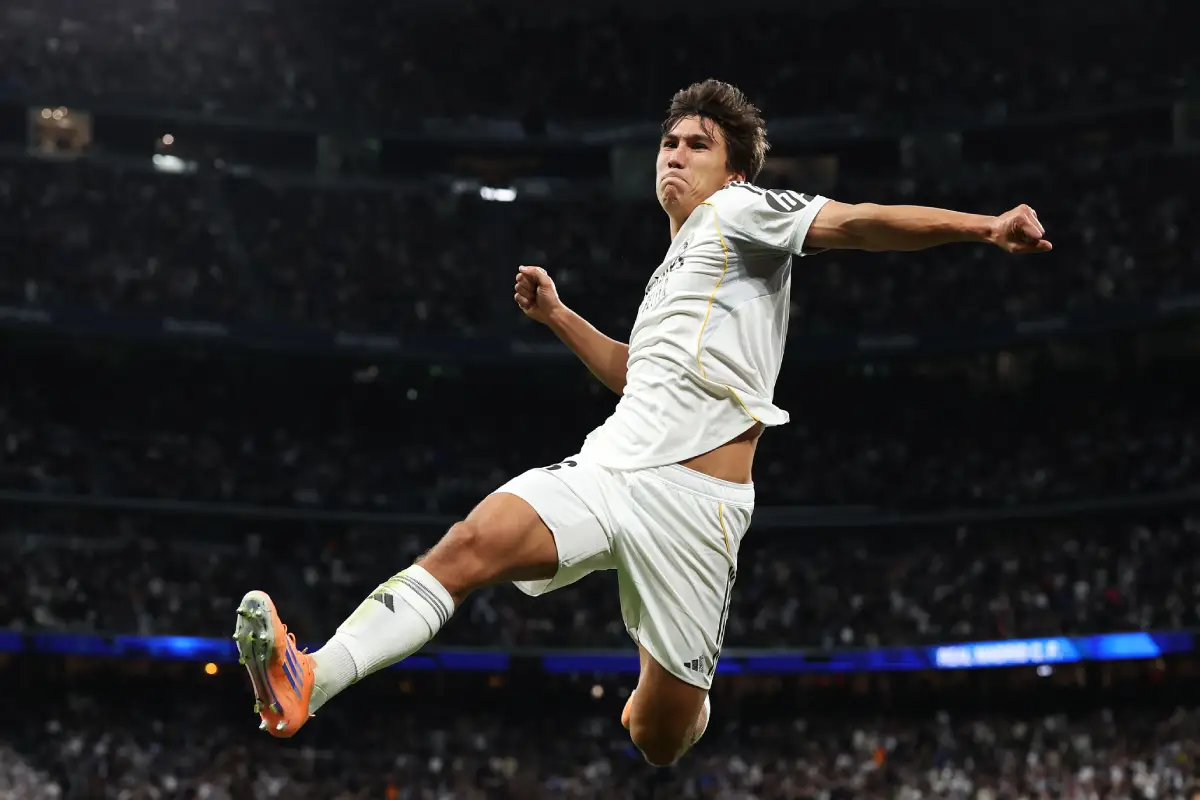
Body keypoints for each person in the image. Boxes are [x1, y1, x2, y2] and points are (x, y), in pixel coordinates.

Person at [233, 78, 1051, 766]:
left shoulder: (744, 216)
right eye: (669, 142)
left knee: (658, 737)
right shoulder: (671, 272)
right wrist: (559, 317)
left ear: (732, 173)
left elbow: (859, 219)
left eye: (697, 144)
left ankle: (671, 696)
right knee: (469, 544)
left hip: (697, 509)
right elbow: (636, 374)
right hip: (612, 468)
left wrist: (983, 226)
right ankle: (312, 679)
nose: (675, 153)